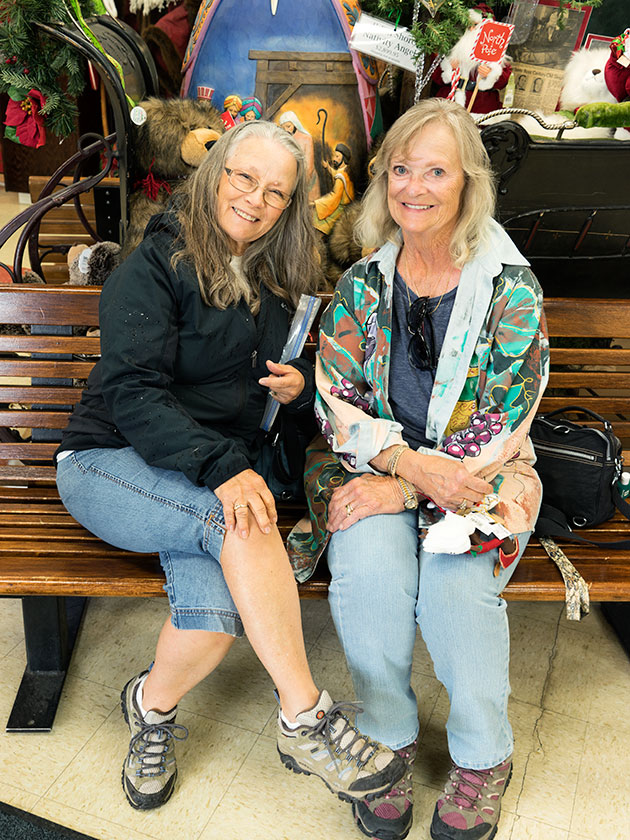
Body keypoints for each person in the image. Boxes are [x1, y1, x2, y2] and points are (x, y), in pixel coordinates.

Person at [55, 121, 404, 812]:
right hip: (110, 460)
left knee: (214, 620)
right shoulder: (152, 266)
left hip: (201, 478)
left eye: (276, 191)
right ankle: (306, 718)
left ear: (289, 204)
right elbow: (132, 393)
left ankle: (148, 708)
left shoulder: (279, 278)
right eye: (244, 178)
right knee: (240, 516)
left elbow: (276, 390)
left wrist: (299, 386)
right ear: (215, 171)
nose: (256, 199)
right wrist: (224, 467)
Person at [287, 99, 549, 840]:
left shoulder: (510, 289)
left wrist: (410, 482)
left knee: (453, 588)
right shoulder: (363, 284)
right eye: (401, 169)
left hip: (483, 476)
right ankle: (389, 739)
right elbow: (335, 400)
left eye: (436, 170)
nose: (414, 187)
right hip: (376, 466)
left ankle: (481, 755)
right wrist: (399, 465)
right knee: (369, 572)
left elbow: (505, 420)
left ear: (468, 182)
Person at [313, 141, 355, 236]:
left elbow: (334, 198)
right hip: (345, 206)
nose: (334, 159)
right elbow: (336, 174)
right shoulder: (345, 170)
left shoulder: (341, 176)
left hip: (340, 209)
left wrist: (316, 203)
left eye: (337, 157)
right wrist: (328, 167)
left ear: (343, 158)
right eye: (334, 156)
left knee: (316, 220)